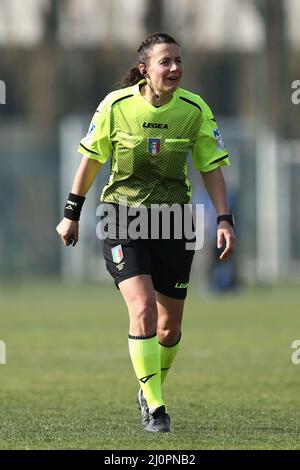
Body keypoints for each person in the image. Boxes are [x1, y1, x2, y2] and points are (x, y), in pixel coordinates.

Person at [56, 32, 236, 433]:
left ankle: (147, 387)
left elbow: (211, 167)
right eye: (165, 62)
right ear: (145, 69)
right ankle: (155, 406)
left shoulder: (194, 110)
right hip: (123, 218)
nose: (174, 68)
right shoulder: (115, 107)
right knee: (143, 310)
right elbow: (90, 161)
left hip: (174, 222)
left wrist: (225, 219)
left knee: (169, 328)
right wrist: (71, 214)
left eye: (178, 61)